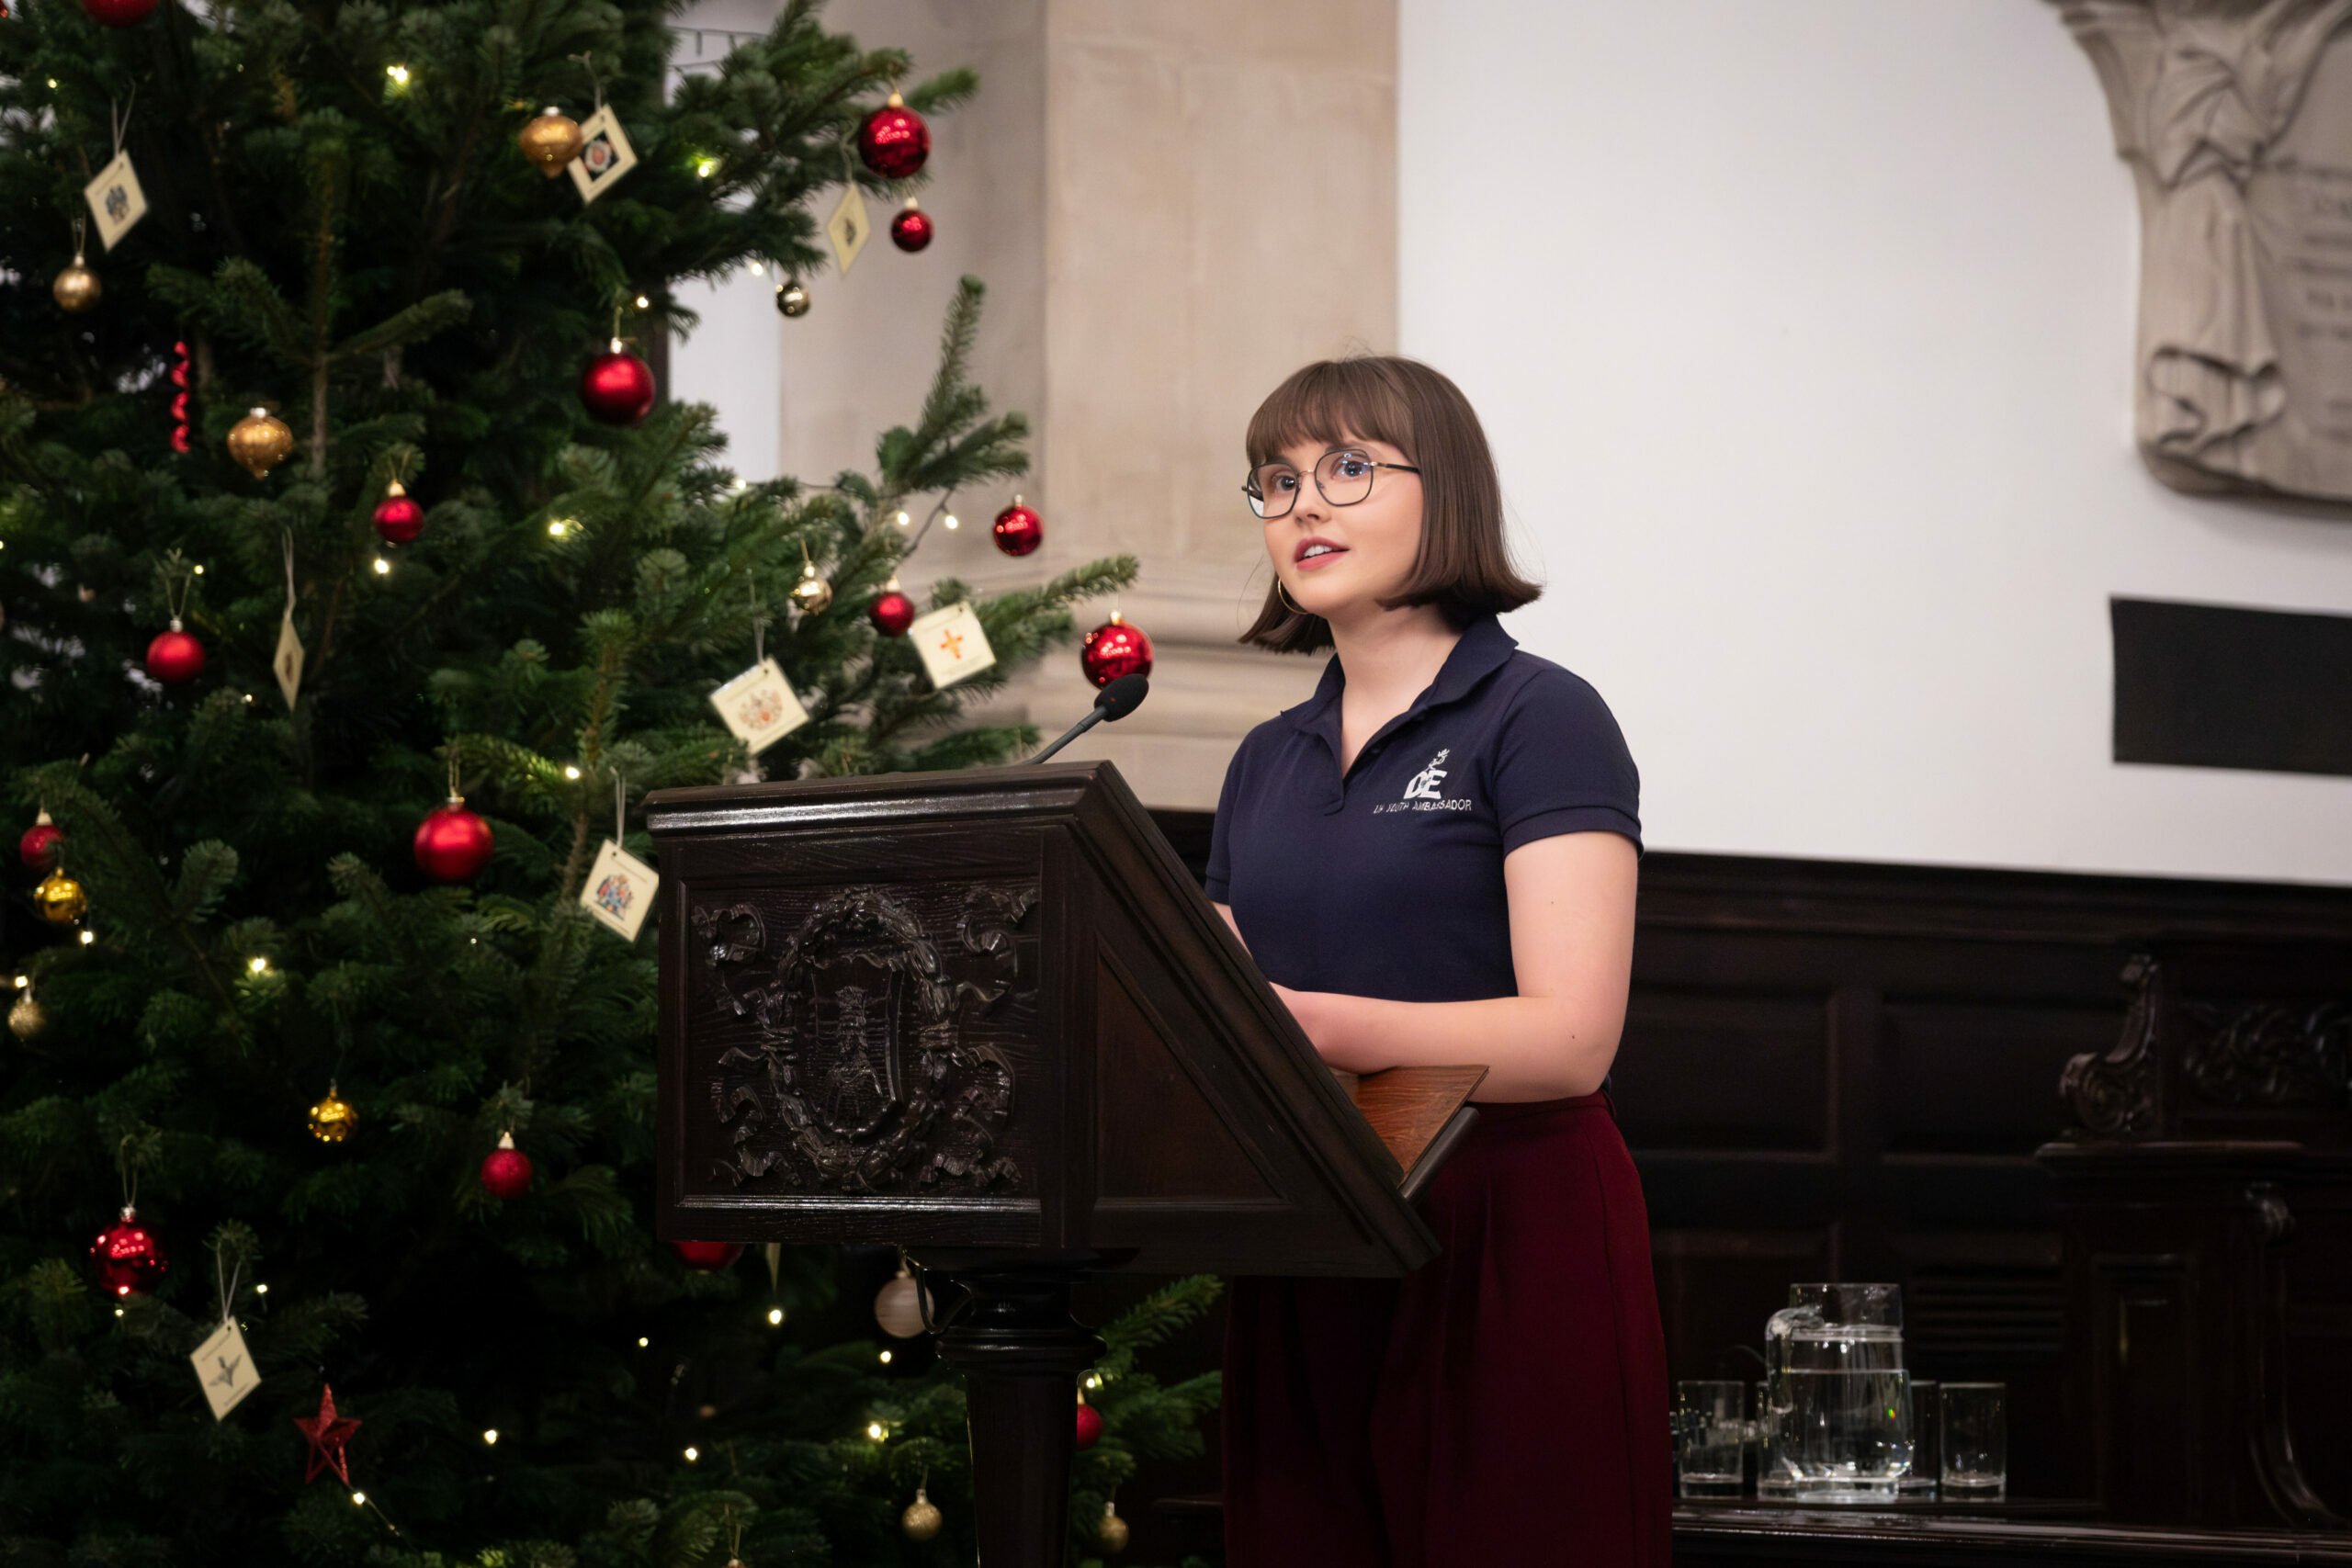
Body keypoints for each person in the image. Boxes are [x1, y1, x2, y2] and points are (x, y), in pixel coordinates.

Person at [1205, 355, 1670, 1566]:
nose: (1304, 504)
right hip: (1313, 1227)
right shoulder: (1265, 758)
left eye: (1349, 468)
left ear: (1444, 490)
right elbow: (1214, 997)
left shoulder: (1542, 715)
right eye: (1278, 480)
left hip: (1506, 1226)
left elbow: (1572, 1043)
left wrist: (1311, 1029)